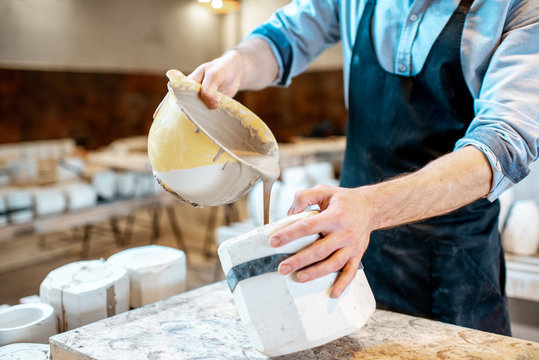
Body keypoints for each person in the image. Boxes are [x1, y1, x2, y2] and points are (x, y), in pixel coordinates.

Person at [189, 0, 539, 335]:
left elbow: (503, 143)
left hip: (453, 266)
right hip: (348, 252)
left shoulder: (519, 6)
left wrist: (371, 208)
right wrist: (236, 63)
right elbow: (285, 37)